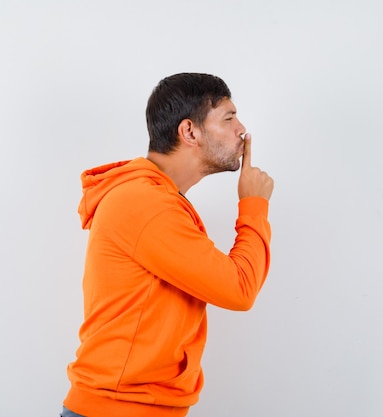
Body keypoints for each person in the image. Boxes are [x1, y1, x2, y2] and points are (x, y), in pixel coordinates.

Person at [61, 73, 274, 417]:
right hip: (117, 410)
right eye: (229, 118)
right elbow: (239, 289)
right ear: (189, 131)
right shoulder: (145, 203)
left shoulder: (157, 200)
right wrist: (253, 205)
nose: (242, 131)